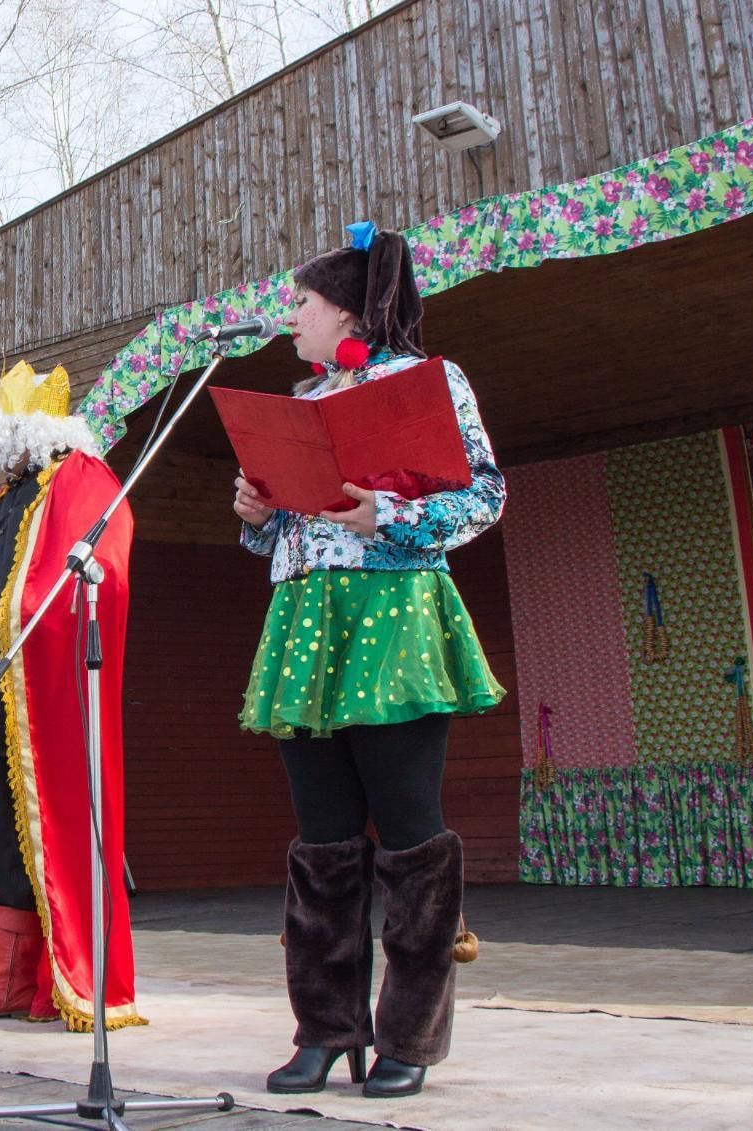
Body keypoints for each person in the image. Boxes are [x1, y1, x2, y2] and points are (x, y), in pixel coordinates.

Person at [234, 222, 505, 1099]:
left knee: (410, 829)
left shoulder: (427, 380)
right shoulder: (303, 393)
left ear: (345, 306)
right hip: (304, 619)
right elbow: (282, 524)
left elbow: (485, 494)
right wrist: (256, 510)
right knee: (321, 838)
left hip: (392, 615)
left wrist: (384, 516)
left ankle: (409, 1036)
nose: (293, 322)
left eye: (302, 305)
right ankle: (324, 1029)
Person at [0, 360, 142, 1031]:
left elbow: (99, 576)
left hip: (42, 700)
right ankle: (7, 979)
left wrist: (2, 614)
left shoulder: (83, 480)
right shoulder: (12, 496)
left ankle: (37, 980)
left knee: (25, 844)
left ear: (34, 429)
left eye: (5, 431)